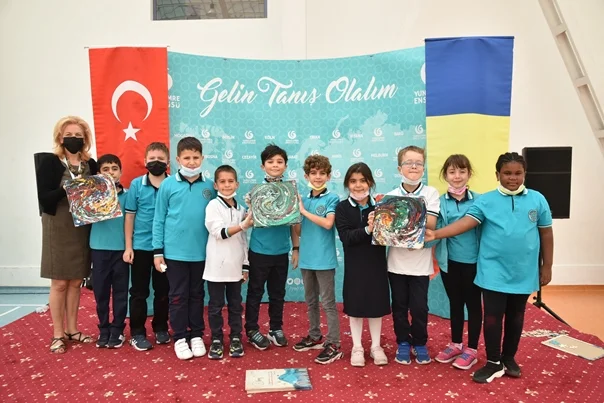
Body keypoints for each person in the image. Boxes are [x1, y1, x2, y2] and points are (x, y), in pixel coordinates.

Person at [425, 152, 554, 384]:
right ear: (497, 175)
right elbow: (465, 223)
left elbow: (546, 233)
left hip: (524, 271)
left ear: (525, 174)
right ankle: (493, 361)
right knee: (493, 316)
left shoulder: (538, 200)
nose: (512, 178)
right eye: (507, 173)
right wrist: (437, 234)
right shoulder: (486, 201)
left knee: (516, 315)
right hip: (492, 270)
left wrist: (548, 266)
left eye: (518, 173)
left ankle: (509, 358)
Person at [36, 116, 98, 354]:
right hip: (58, 226)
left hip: (81, 227)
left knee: (75, 281)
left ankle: (72, 329)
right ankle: (57, 333)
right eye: (69, 135)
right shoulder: (50, 163)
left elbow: (97, 195)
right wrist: (66, 188)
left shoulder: (90, 164)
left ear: (85, 138)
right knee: (59, 283)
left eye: (78, 135)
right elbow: (44, 198)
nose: (74, 139)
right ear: (60, 138)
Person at [152, 137, 216, 360]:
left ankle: (196, 334)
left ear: (202, 158)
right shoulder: (168, 185)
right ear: (178, 159)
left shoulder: (210, 186)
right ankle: (180, 336)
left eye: (195, 157)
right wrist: (158, 251)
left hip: (202, 252)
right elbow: (159, 219)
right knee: (178, 295)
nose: (191, 162)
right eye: (186, 158)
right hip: (175, 253)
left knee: (197, 294)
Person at [386, 146, 440, 365]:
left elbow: (431, 224)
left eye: (418, 163)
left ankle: (419, 342)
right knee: (399, 306)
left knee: (419, 307)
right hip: (396, 263)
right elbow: (387, 230)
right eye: (409, 163)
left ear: (424, 167)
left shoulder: (431, 193)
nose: (414, 167)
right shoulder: (391, 196)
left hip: (420, 264)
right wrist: (414, 228)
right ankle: (402, 342)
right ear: (400, 168)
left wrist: (403, 228)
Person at [245, 144, 300, 350]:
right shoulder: (255, 192)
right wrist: (251, 209)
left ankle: (276, 328)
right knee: (255, 292)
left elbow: (294, 224)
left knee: (278, 293)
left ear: (285, 165)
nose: (275, 165)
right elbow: (249, 221)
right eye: (270, 162)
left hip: (281, 251)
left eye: (279, 162)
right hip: (259, 251)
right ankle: (251, 329)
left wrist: (296, 248)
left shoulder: (291, 191)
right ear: (262, 166)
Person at [335, 163, 390, 367]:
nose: (358, 185)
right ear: (347, 184)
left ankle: (376, 346)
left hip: (376, 262)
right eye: (353, 181)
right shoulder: (342, 208)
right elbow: (346, 237)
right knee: (355, 306)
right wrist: (368, 229)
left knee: (376, 305)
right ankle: (357, 347)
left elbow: (389, 236)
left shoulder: (382, 206)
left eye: (363, 181)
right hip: (354, 264)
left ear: (370, 182)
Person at [433, 154, 482, 370]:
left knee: (473, 305)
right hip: (449, 262)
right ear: (445, 175)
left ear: (469, 174)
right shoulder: (439, 202)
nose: (457, 176)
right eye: (452, 172)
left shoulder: (480, 200)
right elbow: (433, 228)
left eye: (462, 171)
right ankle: (455, 344)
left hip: (474, 263)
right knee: (455, 303)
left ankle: (472, 349)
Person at [293, 155, 343, 365]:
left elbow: (328, 224)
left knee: (328, 303)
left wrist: (303, 211)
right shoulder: (302, 200)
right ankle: (315, 336)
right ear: (306, 176)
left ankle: (334, 343)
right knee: (311, 301)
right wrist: (294, 215)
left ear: (329, 176)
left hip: (324, 260)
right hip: (306, 259)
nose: (318, 177)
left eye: (322, 173)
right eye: (313, 173)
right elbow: (299, 230)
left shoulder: (332, 198)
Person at [123, 142, 171, 351]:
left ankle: (161, 328)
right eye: (152, 159)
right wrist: (128, 247)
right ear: (145, 161)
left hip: (165, 249)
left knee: (163, 291)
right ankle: (137, 332)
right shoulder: (136, 185)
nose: (156, 162)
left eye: (160, 159)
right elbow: (129, 217)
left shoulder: (173, 184)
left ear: (168, 162)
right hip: (141, 247)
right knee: (138, 292)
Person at [204, 165, 253, 360]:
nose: (227, 185)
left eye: (230, 181)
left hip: (235, 267)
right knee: (215, 306)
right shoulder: (213, 206)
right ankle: (216, 339)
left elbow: (243, 240)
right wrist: (242, 225)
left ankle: (235, 338)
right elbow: (218, 232)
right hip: (216, 268)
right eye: (222, 182)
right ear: (216, 185)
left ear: (237, 184)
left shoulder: (241, 209)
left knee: (235, 306)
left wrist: (245, 265)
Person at [90, 154, 129, 349]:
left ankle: (117, 329)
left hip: (121, 251)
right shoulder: (91, 195)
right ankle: (103, 329)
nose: (111, 172)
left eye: (114, 169)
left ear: (121, 172)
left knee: (121, 292)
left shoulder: (128, 195)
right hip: (98, 249)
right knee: (101, 293)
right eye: (105, 169)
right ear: (98, 173)